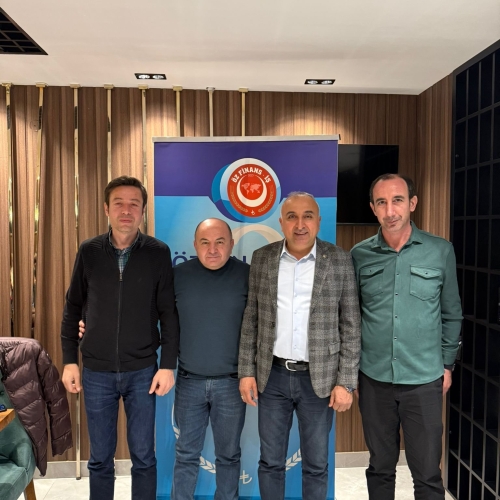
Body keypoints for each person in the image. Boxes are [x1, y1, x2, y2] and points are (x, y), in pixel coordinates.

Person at [60, 176, 179, 500]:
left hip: (143, 371)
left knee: (143, 457)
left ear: (143, 210)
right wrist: (70, 361)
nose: (126, 210)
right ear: (106, 208)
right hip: (96, 372)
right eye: (119, 203)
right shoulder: (89, 252)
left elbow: (168, 312)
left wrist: (167, 365)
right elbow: (72, 308)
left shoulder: (157, 253)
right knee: (99, 460)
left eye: (134, 204)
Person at [238, 191, 361, 500]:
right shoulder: (263, 258)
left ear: (318, 221)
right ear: (281, 222)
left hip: (320, 381)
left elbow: (351, 324)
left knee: (317, 465)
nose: (300, 224)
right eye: (292, 217)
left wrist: (346, 381)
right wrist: (246, 372)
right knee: (270, 462)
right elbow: (251, 318)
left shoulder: (339, 259)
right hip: (272, 377)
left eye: (308, 216)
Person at [351, 174, 462, 500]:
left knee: (427, 474)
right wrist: (352, 371)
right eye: (382, 202)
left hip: (424, 380)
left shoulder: (440, 251)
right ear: (373, 208)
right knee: (380, 468)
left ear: (412, 203)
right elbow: (351, 318)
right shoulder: (359, 255)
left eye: (397, 200)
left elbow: (452, 314)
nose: (390, 211)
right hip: (374, 380)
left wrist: (447, 365)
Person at [171, 218, 249, 500]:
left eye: (220, 242)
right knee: (185, 455)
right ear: (195, 245)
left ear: (231, 244)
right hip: (189, 381)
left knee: (229, 456)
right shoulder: (177, 276)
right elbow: (157, 320)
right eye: (205, 242)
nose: (212, 249)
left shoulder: (248, 275)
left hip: (232, 384)